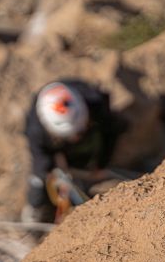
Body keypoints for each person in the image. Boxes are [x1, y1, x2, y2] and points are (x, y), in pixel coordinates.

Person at [21, 79, 127, 223]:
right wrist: (35, 201)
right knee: (41, 176)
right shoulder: (36, 132)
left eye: (79, 132)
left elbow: (110, 132)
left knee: (113, 129)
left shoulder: (95, 101)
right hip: (53, 142)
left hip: (89, 121)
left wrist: (102, 164)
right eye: (71, 136)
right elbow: (40, 169)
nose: (76, 138)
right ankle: (37, 211)